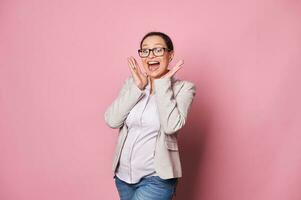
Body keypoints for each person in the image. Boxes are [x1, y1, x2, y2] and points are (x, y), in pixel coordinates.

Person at [104, 31, 196, 200]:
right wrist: (138, 87)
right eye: (145, 50)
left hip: (156, 179)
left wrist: (162, 84)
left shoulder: (184, 89)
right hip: (123, 178)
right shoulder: (132, 83)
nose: (150, 55)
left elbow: (170, 126)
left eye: (158, 50)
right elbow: (112, 120)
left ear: (170, 54)